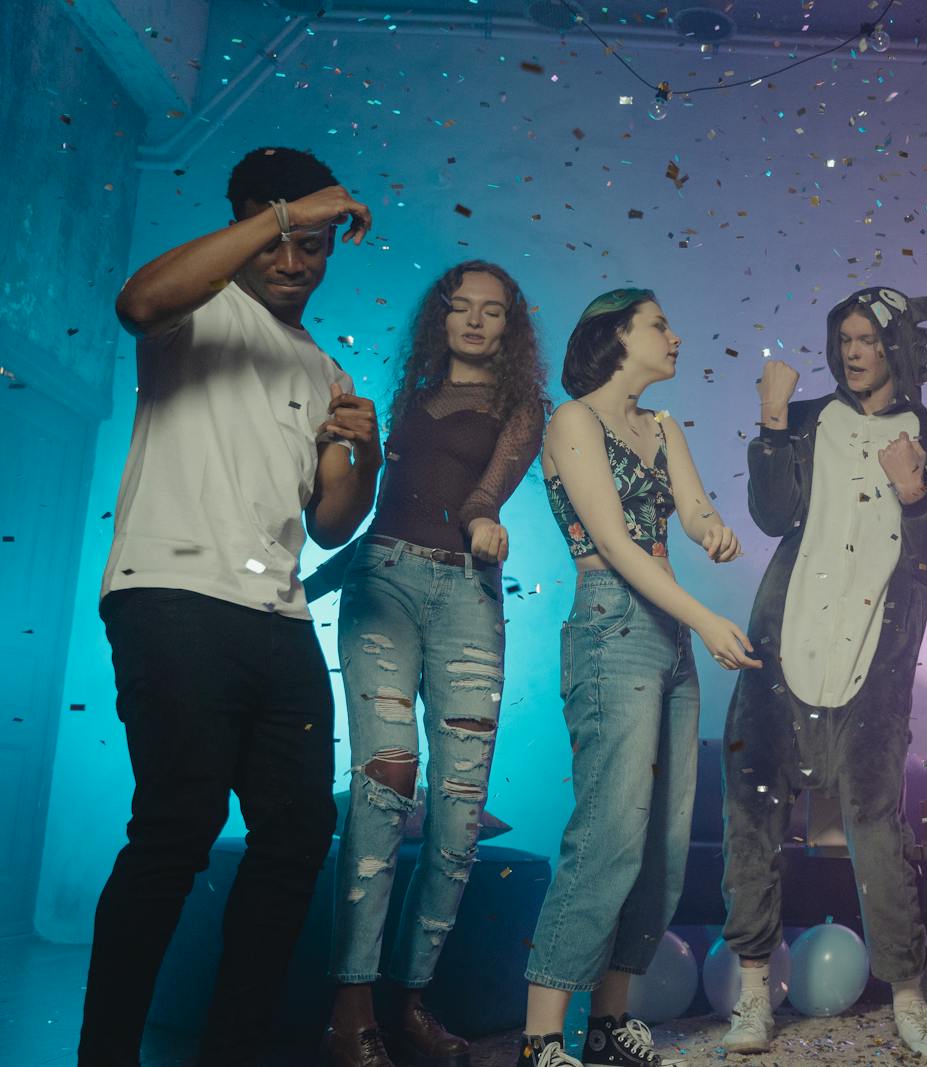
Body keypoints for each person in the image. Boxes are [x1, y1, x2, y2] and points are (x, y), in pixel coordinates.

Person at [83, 146, 378, 1066]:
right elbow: (134, 303)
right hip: (170, 596)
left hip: (278, 619)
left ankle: (233, 1051)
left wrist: (361, 454)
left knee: (296, 837)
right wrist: (289, 212)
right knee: (176, 826)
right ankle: (106, 1057)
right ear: (247, 226)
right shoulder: (194, 307)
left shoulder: (322, 365)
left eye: (316, 247)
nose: (295, 263)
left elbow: (331, 525)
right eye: (281, 240)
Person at [719, 288, 927, 1061]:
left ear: (897, 347)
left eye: (868, 339)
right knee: (754, 815)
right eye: (845, 339)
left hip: (874, 662)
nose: (855, 352)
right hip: (781, 650)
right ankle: (753, 994)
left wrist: (915, 490)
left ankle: (907, 996)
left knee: (875, 826)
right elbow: (769, 515)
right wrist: (770, 422)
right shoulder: (806, 421)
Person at [519, 288, 756, 1067]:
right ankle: (541, 1037)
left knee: (663, 841)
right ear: (616, 335)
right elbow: (617, 544)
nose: (676, 334)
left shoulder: (663, 425)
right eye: (660, 323)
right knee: (609, 833)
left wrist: (713, 530)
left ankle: (610, 1020)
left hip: (667, 638)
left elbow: (689, 511)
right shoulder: (572, 421)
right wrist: (704, 616)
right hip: (613, 624)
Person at [324, 261, 549, 1067]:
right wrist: (322, 567)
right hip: (381, 582)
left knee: (457, 815)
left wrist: (485, 521)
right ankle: (350, 1012)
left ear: (510, 329)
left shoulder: (523, 408)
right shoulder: (408, 398)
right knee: (385, 786)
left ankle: (407, 1000)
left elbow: (489, 490)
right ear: (441, 318)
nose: (476, 322)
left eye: (494, 312)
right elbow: (385, 499)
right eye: (463, 309)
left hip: (467, 596)